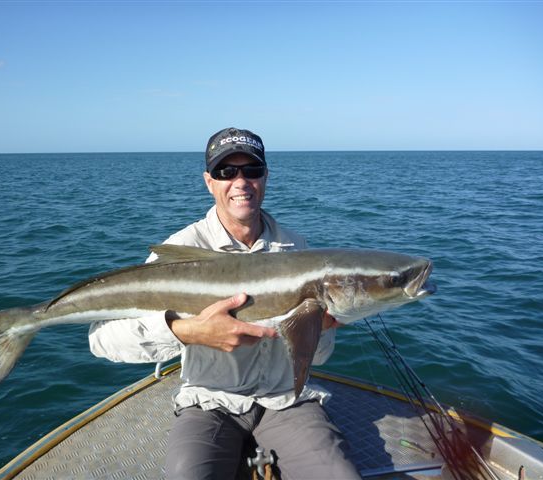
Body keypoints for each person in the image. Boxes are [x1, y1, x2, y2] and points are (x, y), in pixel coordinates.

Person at [89, 127, 361, 479]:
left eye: (251, 170)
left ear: (265, 176)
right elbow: (100, 340)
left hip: (286, 400)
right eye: (226, 172)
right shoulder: (182, 248)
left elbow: (318, 357)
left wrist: (323, 328)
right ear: (209, 181)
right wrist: (186, 331)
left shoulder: (296, 246)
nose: (240, 181)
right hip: (210, 402)